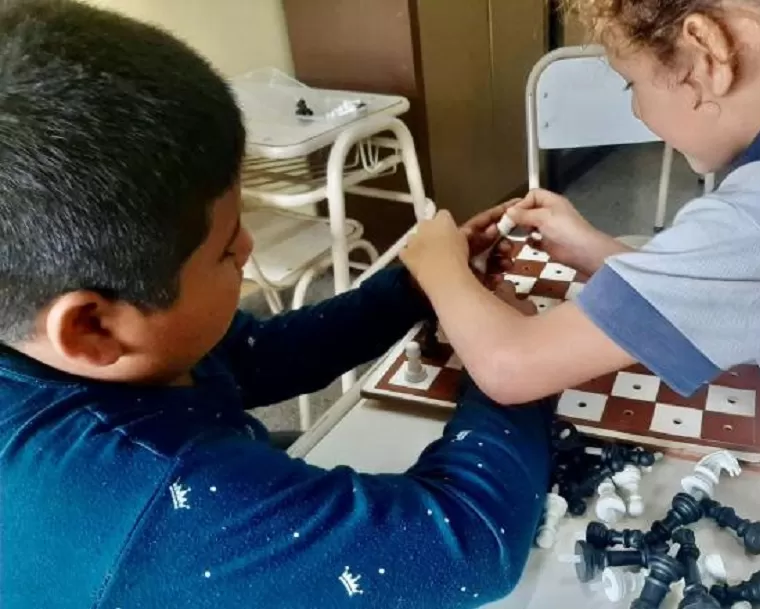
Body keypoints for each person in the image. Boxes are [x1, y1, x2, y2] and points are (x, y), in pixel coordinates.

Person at [0, 2, 555, 608]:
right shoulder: (159, 497)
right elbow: (470, 547)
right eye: (222, 248)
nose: (248, 245)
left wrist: (413, 287)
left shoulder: (101, 345)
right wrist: (514, 366)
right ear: (92, 327)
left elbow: (256, 356)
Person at [400, 0, 760, 606]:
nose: (636, 106)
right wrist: (594, 249)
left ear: (705, 54)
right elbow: (753, 292)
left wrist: (435, 260)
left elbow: (510, 366)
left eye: (631, 82)